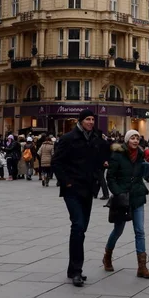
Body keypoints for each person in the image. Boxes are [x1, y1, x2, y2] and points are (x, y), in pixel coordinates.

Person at [52, 109, 103, 287]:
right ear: (80, 121)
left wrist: (100, 173)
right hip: (72, 190)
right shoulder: (68, 139)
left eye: (92, 119)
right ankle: (76, 271)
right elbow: (56, 162)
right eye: (87, 119)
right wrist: (66, 183)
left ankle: (71, 268)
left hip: (88, 189)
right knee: (78, 226)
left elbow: (101, 159)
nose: (91, 122)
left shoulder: (95, 139)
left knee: (82, 229)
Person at [103, 130, 149, 279]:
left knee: (140, 231)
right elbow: (110, 177)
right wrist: (118, 193)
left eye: (137, 138)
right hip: (122, 198)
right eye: (132, 138)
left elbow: (141, 175)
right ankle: (107, 255)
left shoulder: (140, 155)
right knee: (118, 230)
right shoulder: (117, 155)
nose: (135, 140)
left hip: (137, 196)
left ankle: (142, 267)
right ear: (127, 140)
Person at [97, 131, 110, 200]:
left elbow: (97, 154)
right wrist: (107, 161)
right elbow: (109, 153)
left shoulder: (97, 143)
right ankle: (95, 193)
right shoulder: (106, 142)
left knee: (101, 178)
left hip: (98, 163)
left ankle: (106, 194)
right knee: (100, 178)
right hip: (105, 163)